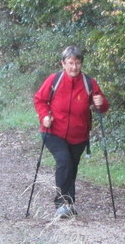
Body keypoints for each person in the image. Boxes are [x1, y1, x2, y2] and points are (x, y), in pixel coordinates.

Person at [33, 46, 108, 218]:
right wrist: (44, 116)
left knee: (72, 168)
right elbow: (39, 100)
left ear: (81, 64)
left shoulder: (89, 83)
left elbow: (102, 108)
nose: (74, 67)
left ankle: (69, 203)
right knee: (64, 162)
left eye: (77, 63)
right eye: (70, 63)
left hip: (78, 135)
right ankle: (62, 203)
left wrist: (100, 102)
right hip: (53, 131)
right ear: (63, 63)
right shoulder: (54, 80)